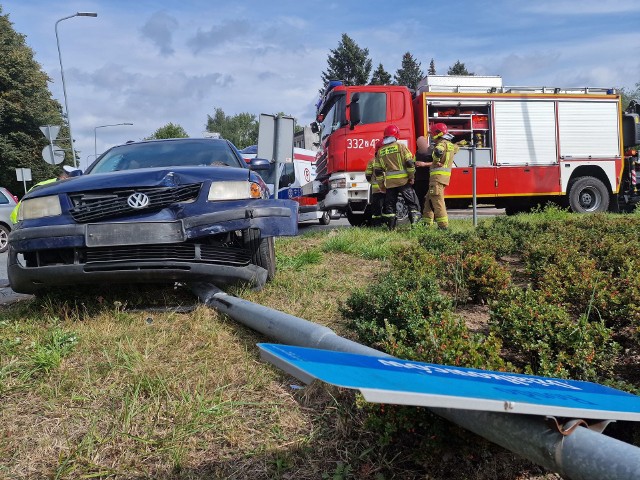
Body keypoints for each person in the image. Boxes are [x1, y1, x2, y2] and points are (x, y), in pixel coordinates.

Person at [374, 124, 421, 229]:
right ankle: (415, 225)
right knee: (411, 203)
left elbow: (378, 171)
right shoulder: (401, 147)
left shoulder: (380, 151)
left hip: (390, 184)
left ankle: (391, 228)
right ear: (396, 135)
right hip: (403, 182)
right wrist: (411, 177)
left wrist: (381, 185)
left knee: (390, 206)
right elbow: (410, 163)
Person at [423, 123, 460, 229]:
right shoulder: (451, 145)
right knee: (429, 199)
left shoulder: (441, 144)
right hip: (443, 178)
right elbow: (457, 148)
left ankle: (443, 226)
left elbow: (438, 151)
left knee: (437, 201)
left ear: (437, 134)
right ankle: (426, 224)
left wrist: (436, 160)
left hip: (437, 178)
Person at [365, 153, 385, 227]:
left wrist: (372, 182)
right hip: (388, 188)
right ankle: (387, 224)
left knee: (376, 209)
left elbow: (368, 175)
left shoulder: (372, 161)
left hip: (376, 189)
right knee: (388, 207)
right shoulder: (387, 159)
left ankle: (376, 225)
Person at [413, 135, 432, 213]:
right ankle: (422, 215)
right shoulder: (417, 152)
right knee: (419, 199)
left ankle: (433, 217)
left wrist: (424, 164)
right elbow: (413, 162)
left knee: (430, 199)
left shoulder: (432, 150)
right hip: (418, 179)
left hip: (428, 178)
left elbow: (436, 163)